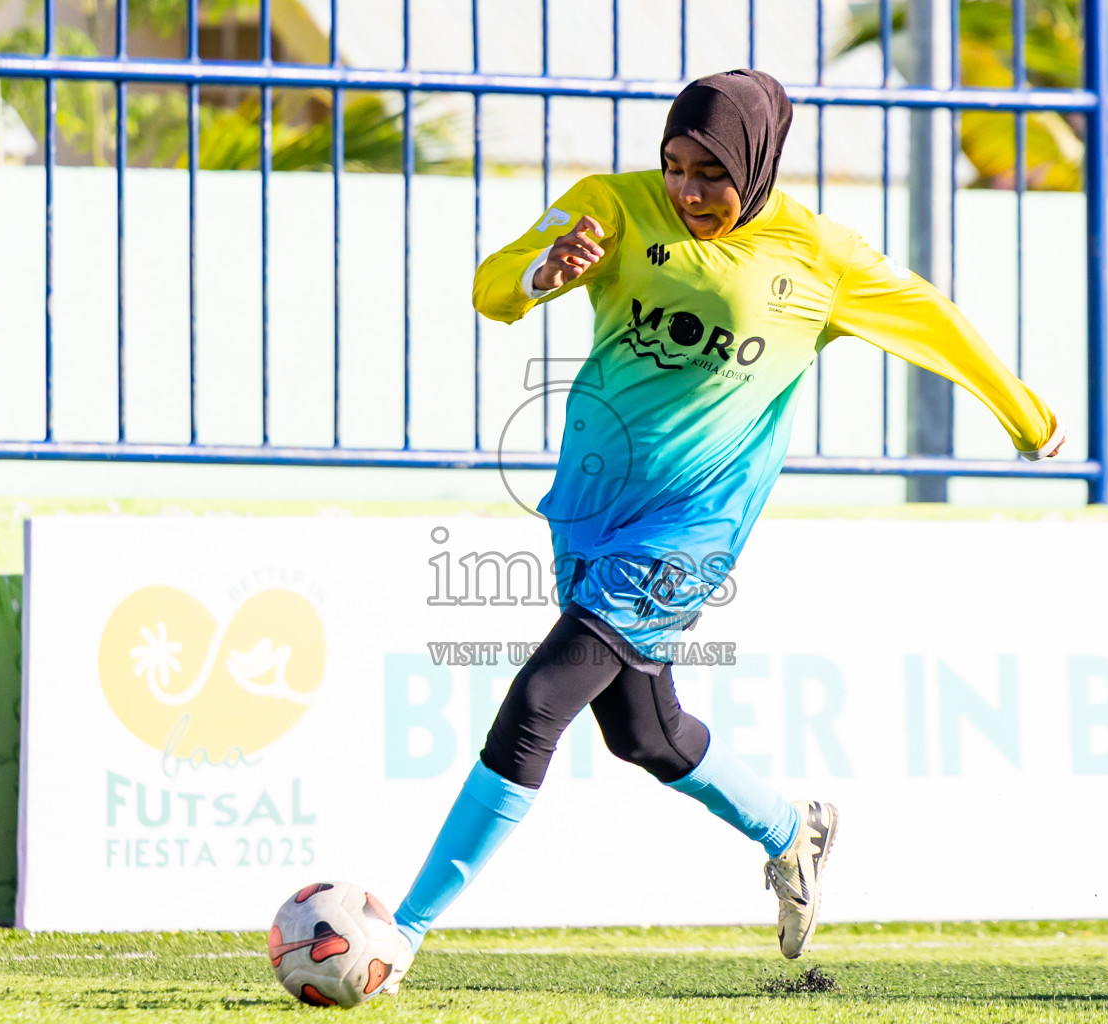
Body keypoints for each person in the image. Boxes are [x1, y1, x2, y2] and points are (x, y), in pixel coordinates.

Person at [382, 68, 1064, 991]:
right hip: (591, 511)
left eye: (711, 172)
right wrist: (546, 274)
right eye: (674, 166)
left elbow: (933, 320)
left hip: (689, 532)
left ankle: (403, 932)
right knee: (644, 734)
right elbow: (494, 287)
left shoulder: (821, 256)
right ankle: (793, 832)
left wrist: (1022, 413)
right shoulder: (610, 210)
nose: (689, 191)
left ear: (758, 162)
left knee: (541, 700)